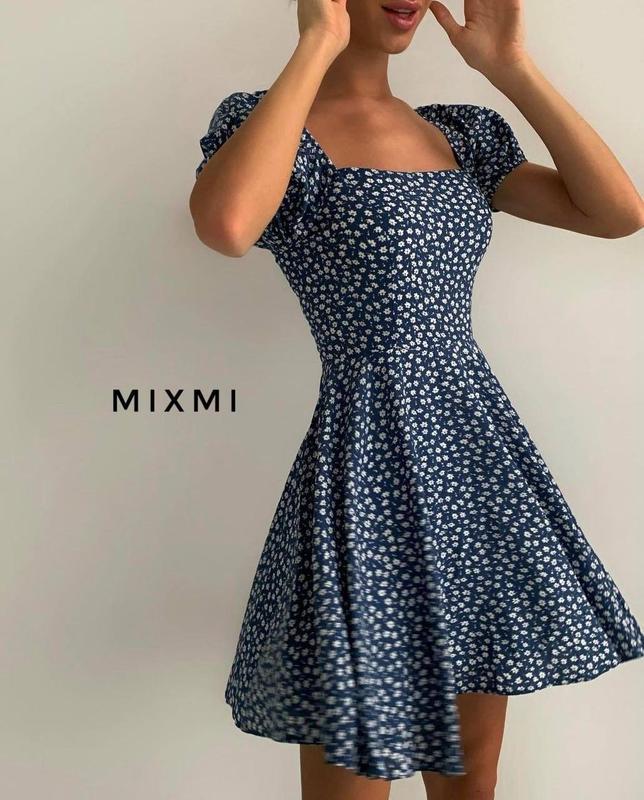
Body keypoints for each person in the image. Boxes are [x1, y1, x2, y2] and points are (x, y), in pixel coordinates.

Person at [189, 1, 644, 798]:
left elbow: (618, 214)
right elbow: (227, 225)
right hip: (364, 470)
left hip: (473, 464)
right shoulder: (269, 125)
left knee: (472, 782)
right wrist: (317, 41)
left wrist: (510, 70)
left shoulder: (460, 133)